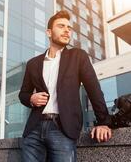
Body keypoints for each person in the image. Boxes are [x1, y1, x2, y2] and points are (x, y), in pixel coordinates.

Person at [19, 10, 112, 162]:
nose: (67, 31)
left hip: (62, 128)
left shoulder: (78, 56)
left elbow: (93, 89)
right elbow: (23, 94)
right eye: (61, 26)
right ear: (49, 32)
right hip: (34, 129)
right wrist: (31, 98)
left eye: (69, 28)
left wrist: (103, 122)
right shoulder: (33, 63)